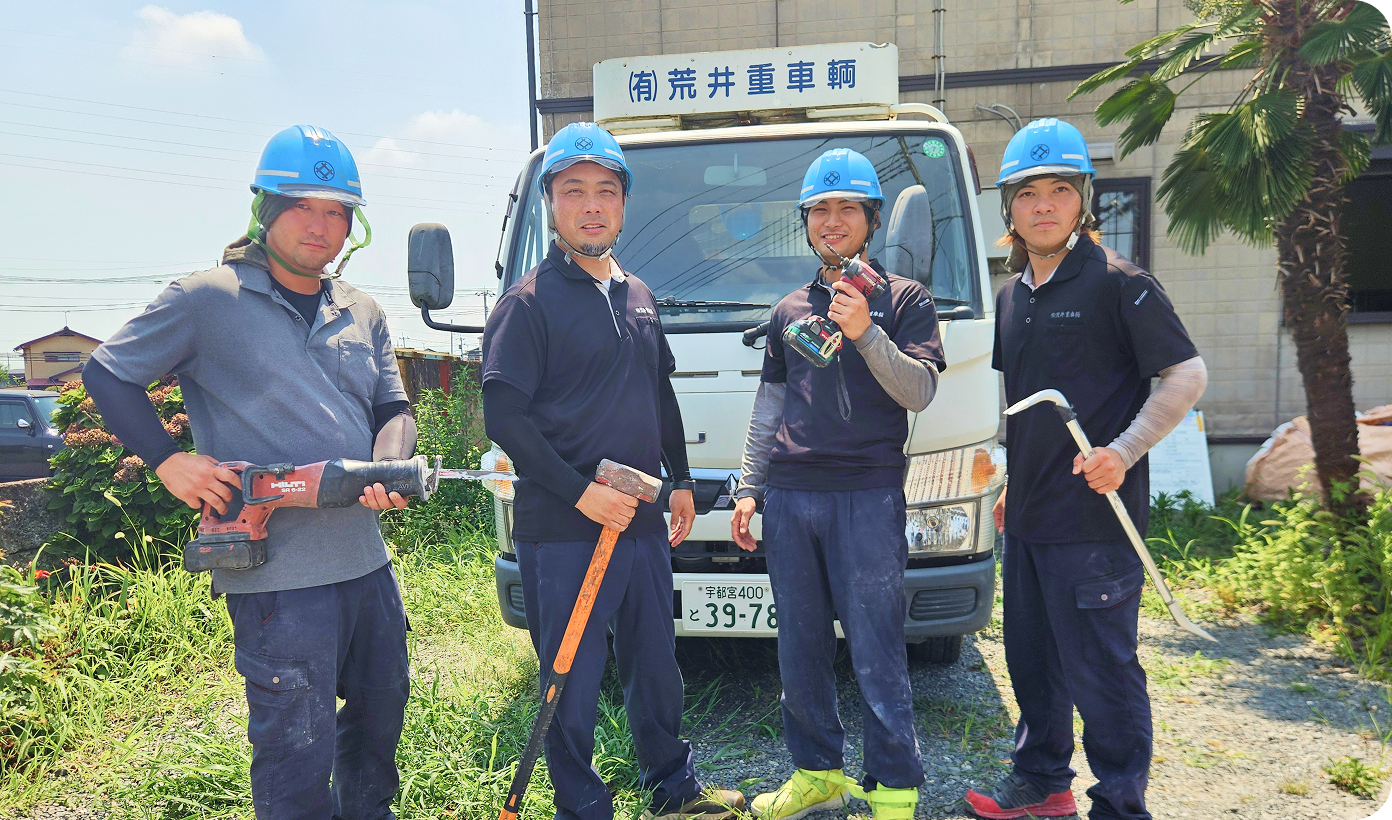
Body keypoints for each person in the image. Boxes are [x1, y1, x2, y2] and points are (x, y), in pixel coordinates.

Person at [83, 124, 415, 820]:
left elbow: (393, 405)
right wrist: (171, 460)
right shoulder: (208, 298)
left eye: (337, 211)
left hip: (366, 563)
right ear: (264, 209)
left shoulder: (362, 310)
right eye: (303, 206)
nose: (321, 226)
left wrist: (389, 464)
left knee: (379, 726)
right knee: (297, 753)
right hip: (278, 582)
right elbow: (107, 374)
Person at [480, 122, 745, 820]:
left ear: (623, 205)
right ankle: (581, 805)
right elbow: (506, 420)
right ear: (551, 205)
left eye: (605, 191)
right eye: (575, 192)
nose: (591, 205)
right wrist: (580, 494)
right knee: (570, 675)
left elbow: (660, 394)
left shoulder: (639, 296)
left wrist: (681, 481)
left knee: (656, 663)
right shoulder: (528, 303)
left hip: (641, 522)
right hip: (562, 528)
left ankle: (673, 788)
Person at [963, 118, 1207, 820]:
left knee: (1101, 670)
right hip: (1032, 519)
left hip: (1098, 523)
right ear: (1008, 205)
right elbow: (1020, 406)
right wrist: (1008, 481)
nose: (1044, 204)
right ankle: (1043, 784)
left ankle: (1121, 803)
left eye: (1060, 190)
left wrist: (1124, 451)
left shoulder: (1118, 283)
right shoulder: (1012, 298)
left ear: (1083, 200)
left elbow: (1185, 376)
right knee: (1033, 663)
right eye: (1028, 192)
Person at [730, 148, 946, 820]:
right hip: (791, 498)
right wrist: (748, 487)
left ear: (871, 220)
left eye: (846, 207)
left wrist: (867, 333)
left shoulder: (907, 300)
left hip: (866, 495)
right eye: (819, 209)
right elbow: (771, 407)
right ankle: (817, 772)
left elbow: (920, 391)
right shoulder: (788, 309)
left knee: (877, 647)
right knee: (799, 647)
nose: (832, 220)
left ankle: (893, 788)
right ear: (806, 221)